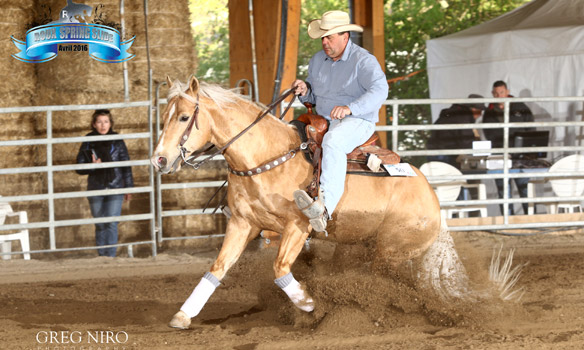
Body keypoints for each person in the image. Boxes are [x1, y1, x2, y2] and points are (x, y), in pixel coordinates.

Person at [291, 10, 389, 232]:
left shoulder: (363, 60)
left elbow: (380, 90)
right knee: (289, 135)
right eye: (323, 37)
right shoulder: (317, 60)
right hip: (322, 119)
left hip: (358, 120)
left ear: (345, 36)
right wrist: (305, 90)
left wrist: (350, 108)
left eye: (330, 37)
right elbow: (314, 97)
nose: (324, 42)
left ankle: (325, 209)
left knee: (333, 142)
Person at [76, 109, 133, 257]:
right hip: (96, 187)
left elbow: (125, 164)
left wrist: (129, 187)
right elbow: (79, 167)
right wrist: (92, 166)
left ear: (110, 123)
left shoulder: (117, 140)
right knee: (100, 223)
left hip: (116, 186)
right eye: (99, 122)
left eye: (106, 121)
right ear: (94, 124)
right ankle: (102, 255)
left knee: (112, 222)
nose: (103, 125)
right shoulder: (88, 141)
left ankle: (111, 255)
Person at [483, 80, 534, 215]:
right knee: (503, 190)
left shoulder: (521, 107)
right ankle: (508, 220)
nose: (499, 95)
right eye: (496, 93)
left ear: (507, 92)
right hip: (500, 154)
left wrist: (528, 150)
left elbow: (531, 128)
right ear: (492, 94)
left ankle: (530, 219)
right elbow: (488, 133)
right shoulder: (489, 112)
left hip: (520, 155)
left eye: (502, 92)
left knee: (524, 187)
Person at [427, 94, 486, 168]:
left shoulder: (454, 112)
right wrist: (479, 146)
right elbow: (466, 142)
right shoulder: (464, 117)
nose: (480, 115)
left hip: (434, 152)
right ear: (474, 109)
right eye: (480, 111)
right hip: (445, 154)